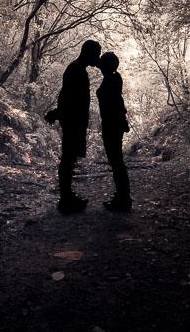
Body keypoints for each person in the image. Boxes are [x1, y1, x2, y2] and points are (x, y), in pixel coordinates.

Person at [45, 39, 102, 213]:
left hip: (73, 120)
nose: (98, 58)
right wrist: (59, 113)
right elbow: (69, 97)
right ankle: (66, 200)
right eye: (96, 54)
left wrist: (58, 112)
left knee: (69, 158)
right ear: (88, 53)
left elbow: (66, 95)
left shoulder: (77, 68)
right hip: (72, 121)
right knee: (68, 159)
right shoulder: (76, 70)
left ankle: (67, 197)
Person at [96, 52, 131, 211]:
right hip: (114, 123)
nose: (99, 66)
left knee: (116, 161)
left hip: (111, 124)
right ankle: (122, 197)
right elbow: (119, 101)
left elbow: (115, 102)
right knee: (117, 161)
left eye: (102, 63)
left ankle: (123, 199)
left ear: (106, 65)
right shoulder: (115, 77)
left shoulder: (110, 80)